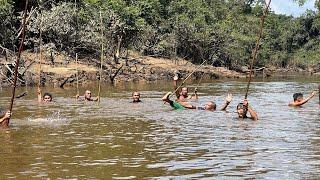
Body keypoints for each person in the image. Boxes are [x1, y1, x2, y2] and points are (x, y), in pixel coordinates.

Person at [162, 92, 232, 111]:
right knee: (175, 104)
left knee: (175, 104)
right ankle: (166, 99)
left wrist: (227, 103)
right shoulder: (204, 109)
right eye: (206, 104)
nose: (205, 105)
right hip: (184, 109)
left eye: (208, 105)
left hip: (184, 109)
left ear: (212, 108)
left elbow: (190, 106)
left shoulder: (203, 109)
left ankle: (166, 99)